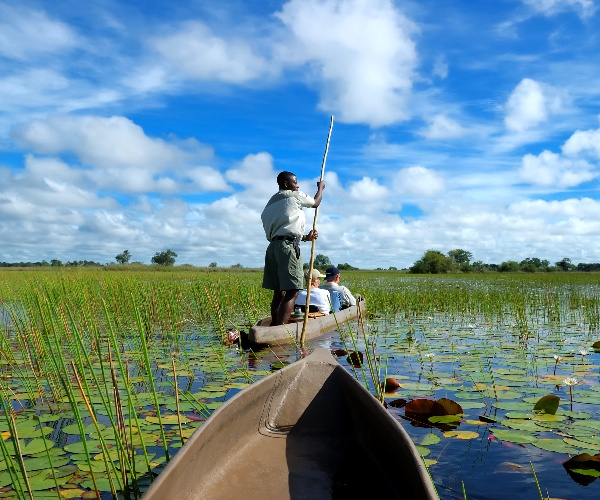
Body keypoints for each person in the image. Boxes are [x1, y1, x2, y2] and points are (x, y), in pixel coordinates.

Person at [261, 171, 325, 325]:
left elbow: (282, 229)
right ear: (285, 184)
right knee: (293, 290)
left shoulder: (270, 204)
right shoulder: (294, 195)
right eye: (295, 182)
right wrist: (321, 188)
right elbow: (315, 202)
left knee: (279, 291)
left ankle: (275, 325)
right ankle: (280, 328)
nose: (297, 185)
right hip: (288, 248)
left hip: (273, 248)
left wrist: (305, 238)